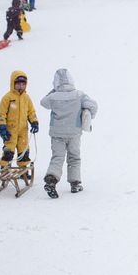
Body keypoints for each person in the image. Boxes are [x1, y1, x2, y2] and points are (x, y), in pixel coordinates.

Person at [40, 68, 98, 198]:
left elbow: (43, 102)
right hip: (74, 133)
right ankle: (75, 183)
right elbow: (93, 105)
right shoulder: (79, 95)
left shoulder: (53, 97)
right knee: (74, 158)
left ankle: (51, 179)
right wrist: (88, 115)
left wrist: (54, 91)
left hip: (57, 133)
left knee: (57, 158)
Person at [0, 70, 38, 170]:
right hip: (10, 130)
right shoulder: (7, 98)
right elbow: (1, 114)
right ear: (13, 83)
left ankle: (23, 168)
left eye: (23, 84)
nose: (21, 86)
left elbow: (31, 112)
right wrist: (2, 127)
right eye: (18, 84)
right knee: (8, 150)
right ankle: (4, 166)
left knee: (23, 150)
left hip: (23, 130)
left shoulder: (26, 98)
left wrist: (34, 122)